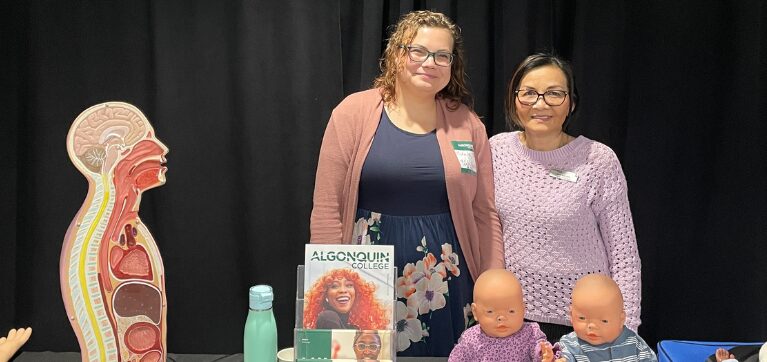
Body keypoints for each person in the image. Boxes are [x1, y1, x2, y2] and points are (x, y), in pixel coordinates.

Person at [310, 10, 503, 356]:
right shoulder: (352, 113)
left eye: (442, 55)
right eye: (419, 51)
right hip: (363, 276)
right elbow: (327, 208)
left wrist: (495, 282)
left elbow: (484, 213)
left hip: (445, 279)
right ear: (397, 54)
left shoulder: (467, 123)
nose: (430, 62)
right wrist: (325, 282)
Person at [490, 53, 642, 342]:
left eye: (554, 94)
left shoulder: (598, 160)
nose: (540, 103)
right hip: (510, 320)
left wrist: (627, 328)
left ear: (571, 102)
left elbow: (624, 256)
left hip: (587, 323)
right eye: (529, 93)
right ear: (514, 99)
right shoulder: (496, 150)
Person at [541, 274, 656, 362]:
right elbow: (565, 357)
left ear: (621, 320)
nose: (592, 326)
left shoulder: (633, 342)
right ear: (571, 316)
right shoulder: (571, 344)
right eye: (582, 318)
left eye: (604, 321)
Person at [448, 269, 549, 362]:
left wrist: (544, 353)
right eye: (490, 312)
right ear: (475, 312)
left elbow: (539, 349)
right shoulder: (471, 339)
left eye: (511, 311)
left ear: (523, 310)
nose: (501, 318)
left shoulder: (530, 333)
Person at [303, 268, 389, 330]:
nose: (343, 290)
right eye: (334, 286)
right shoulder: (328, 317)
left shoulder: (351, 327)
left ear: (357, 293)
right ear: (325, 295)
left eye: (349, 285)